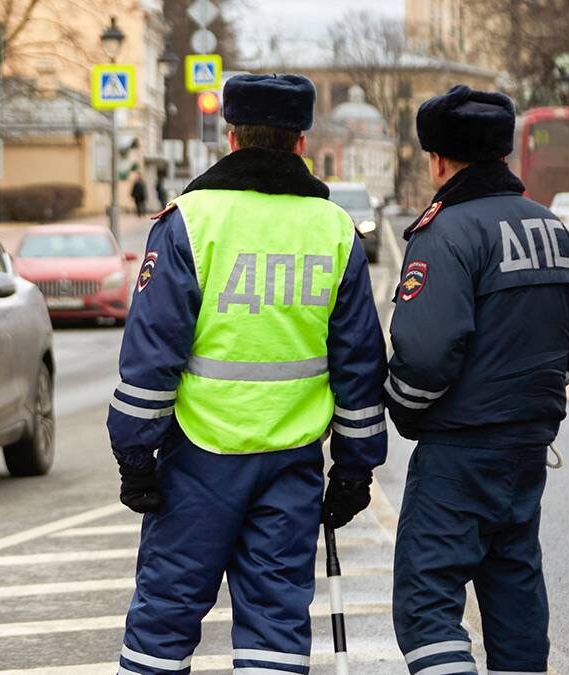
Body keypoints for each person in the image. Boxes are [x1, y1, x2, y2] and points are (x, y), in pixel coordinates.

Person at [107, 73, 387, 674]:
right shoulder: (334, 230)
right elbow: (360, 364)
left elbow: (151, 358)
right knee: (274, 630)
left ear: (230, 138)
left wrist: (135, 459)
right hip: (291, 461)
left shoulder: (190, 222)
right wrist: (356, 470)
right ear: (301, 144)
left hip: (198, 459)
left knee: (165, 616)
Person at [387, 85, 569, 675]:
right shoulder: (551, 228)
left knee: (427, 604)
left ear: (440, 159)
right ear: (503, 154)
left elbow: (424, 357)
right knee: (514, 591)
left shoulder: (446, 232)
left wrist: (404, 409)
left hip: (459, 450)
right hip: (527, 449)